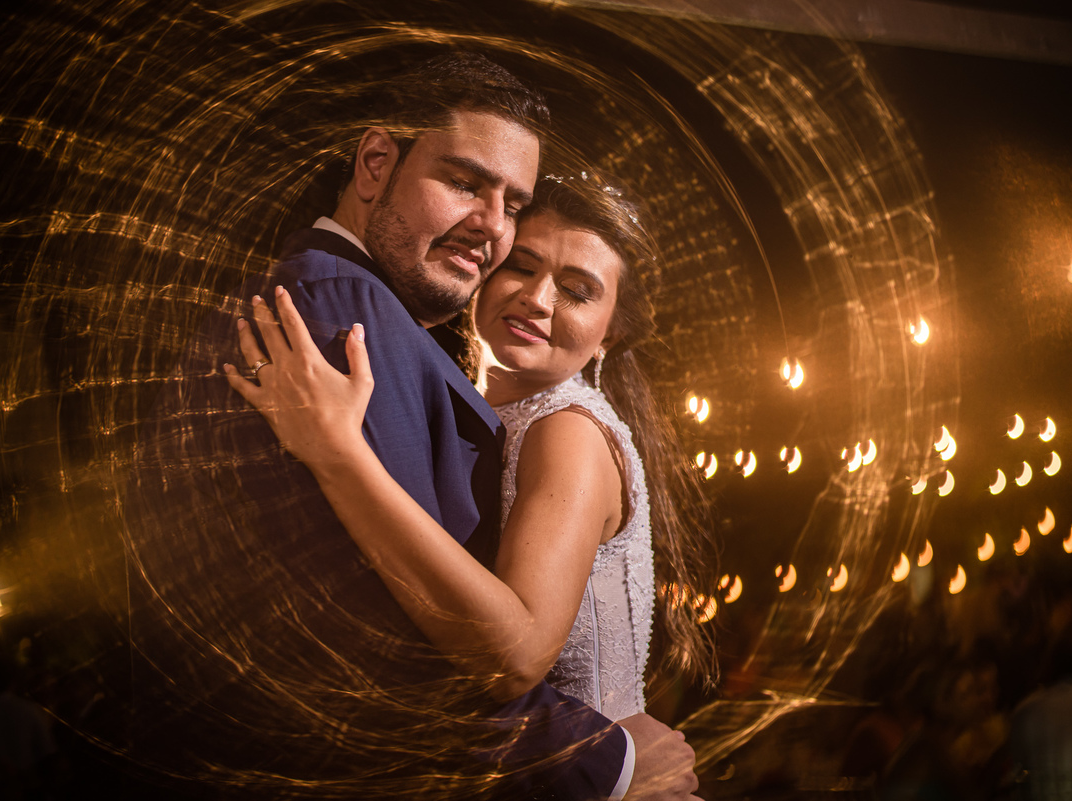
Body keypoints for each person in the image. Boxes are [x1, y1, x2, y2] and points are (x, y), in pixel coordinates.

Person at [128, 52, 696, 800]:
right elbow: (394, 639)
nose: (491, 227)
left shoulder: (553, 418)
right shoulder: (342, 312)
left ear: (611, 334)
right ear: (375, 165)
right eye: (463, 182)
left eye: (512, 204)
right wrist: (606, 764)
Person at [226, 175, 714, 793]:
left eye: (576, 291)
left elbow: (518, 655)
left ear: (609, 333)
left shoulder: (566, 429)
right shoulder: (496, 418)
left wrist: (337, 450)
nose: (537, 299)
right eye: (522, 267)